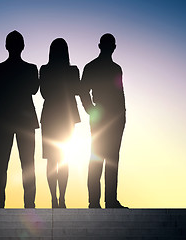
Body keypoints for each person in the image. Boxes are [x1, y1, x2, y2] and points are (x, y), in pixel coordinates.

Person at [0, 30, 39, 208]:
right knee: (28, 163)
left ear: (6, 46)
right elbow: (34, 89)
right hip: (25, 120)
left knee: (1, 164)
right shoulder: (31, 68)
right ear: (23, 47)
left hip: (4, 118)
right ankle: (29, 203)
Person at [80, 33, 127, 208]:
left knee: (110, 159)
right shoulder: (91, 67)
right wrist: (91, 110)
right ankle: (94, 201)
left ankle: (110, 200)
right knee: (98, 158)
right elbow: (83, 91)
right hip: (101, 118)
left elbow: (119, 93)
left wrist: (122, 116)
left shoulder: (116, 69)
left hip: (115, 118)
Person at [40, 38, 81, 208]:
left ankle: (54, 199)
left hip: (51, 115)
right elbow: (77, 90)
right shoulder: (73, 70)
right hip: (66, 116)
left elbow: (44, 93)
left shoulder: (45, 69)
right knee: (63, 159)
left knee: (52, 160)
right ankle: (61, 198)